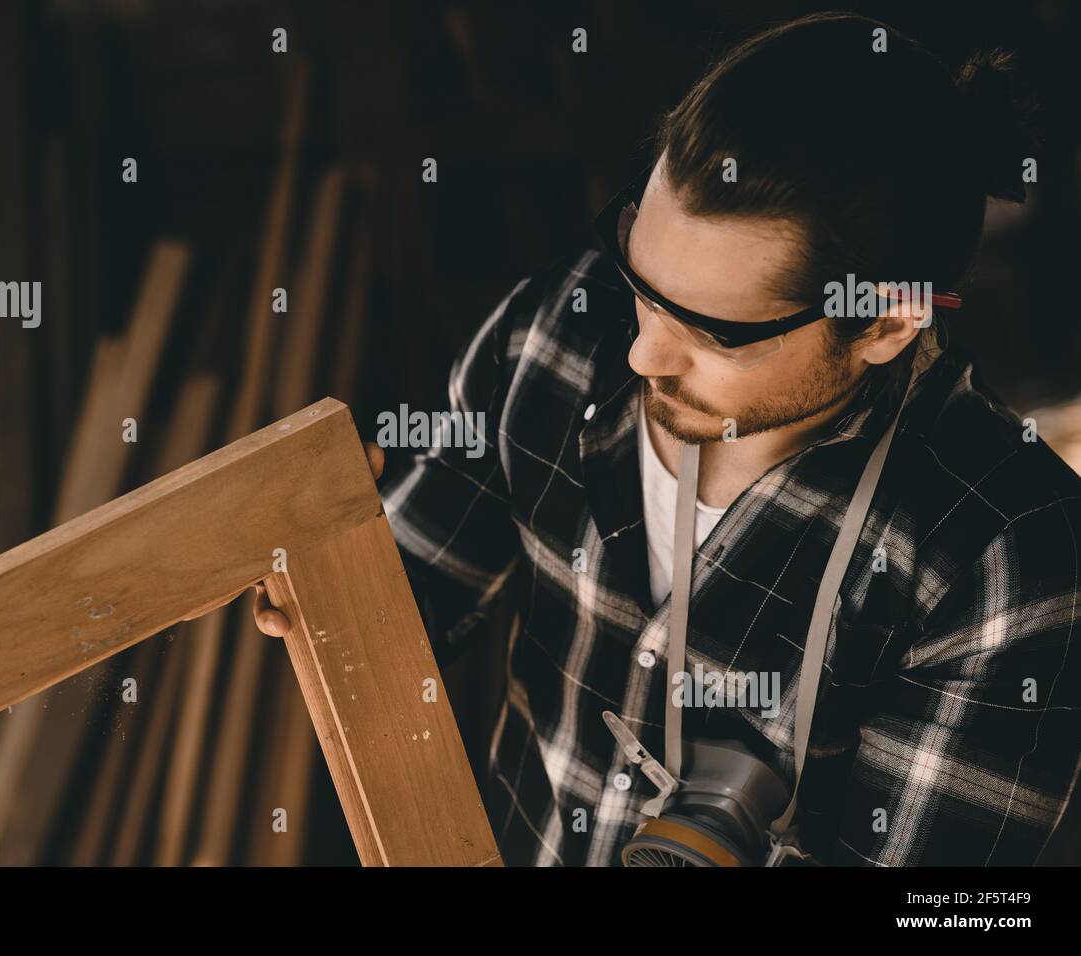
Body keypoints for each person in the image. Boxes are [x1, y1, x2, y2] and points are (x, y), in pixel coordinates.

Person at [254, 12, 1081, 866]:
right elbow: (419, 579)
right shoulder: (558, 336)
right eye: (642, 283)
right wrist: (332, 571)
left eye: (712, 331)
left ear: (885, 323)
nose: (641, 351)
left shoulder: (1009, 564)